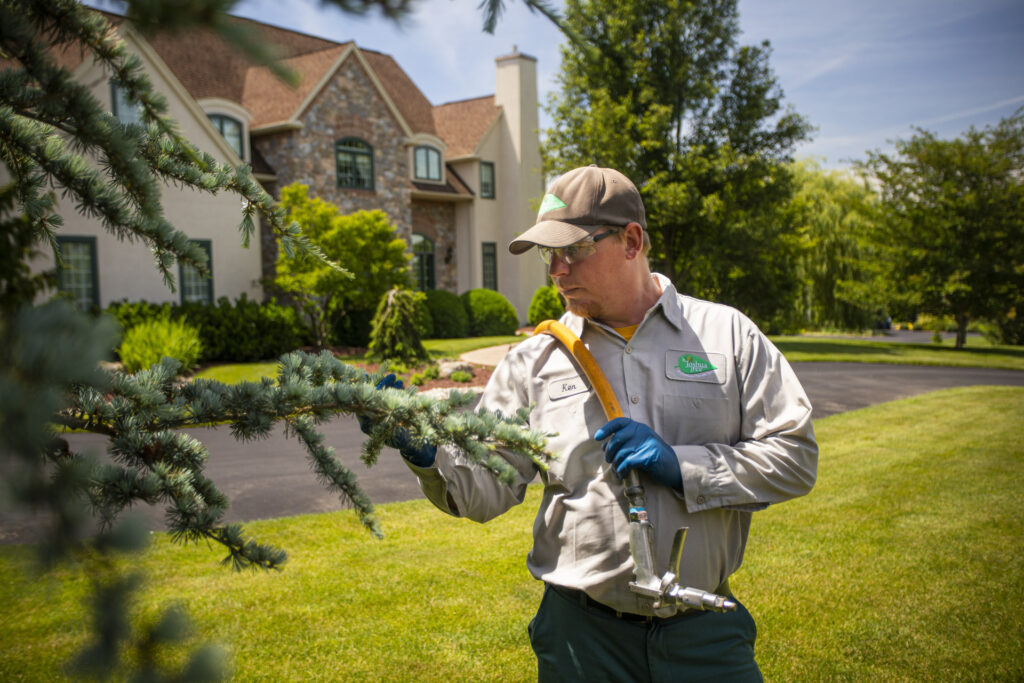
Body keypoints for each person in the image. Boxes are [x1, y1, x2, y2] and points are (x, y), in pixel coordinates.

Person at [366, 165, 818, 681]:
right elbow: (484, 487)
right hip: (582, 643)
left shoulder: (725, 336)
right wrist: (426, 453)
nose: (556, 270)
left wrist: (682, 466)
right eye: (546, 254)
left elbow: (795, 457)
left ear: (631, 241)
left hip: (703, 639)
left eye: (573, 249)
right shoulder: (534, 361)